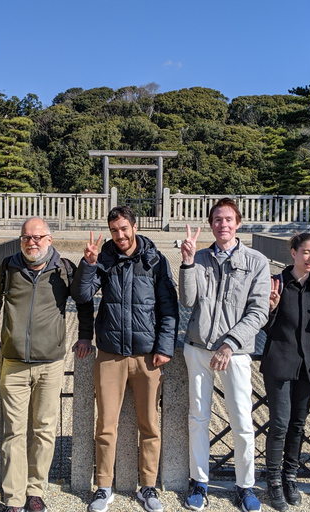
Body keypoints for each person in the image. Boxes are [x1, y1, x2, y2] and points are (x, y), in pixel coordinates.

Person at [71, 206, 179, 512]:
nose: (120, 235)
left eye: (124, 229)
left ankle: (148, 486)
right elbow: (81, 296)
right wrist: (89, 265)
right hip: (110, 352)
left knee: (150, 424)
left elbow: (169, 307)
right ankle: (103, 486)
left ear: (135, 226)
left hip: (147, 355)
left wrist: (165, 347)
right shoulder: (103, 258)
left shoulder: (154, 260)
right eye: (114, 230)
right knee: (105, 424)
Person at [0, 217, 94, 512]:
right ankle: (14, 496)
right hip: (14, 360)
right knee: (13, 432)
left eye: (37, 237)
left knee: (44, 428)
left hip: (50, 362)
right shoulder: (9, 266)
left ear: (49, 239)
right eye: (26, 238)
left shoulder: (64, 269)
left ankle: (35, 490)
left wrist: (84, 337)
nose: (31, 243)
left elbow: (84, 303)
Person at [179, 198, 271, 512]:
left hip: (235, 351)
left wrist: (230, 343)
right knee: (198, 418)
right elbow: (187, 301)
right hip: (198, 346)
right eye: (217, 220)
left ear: (238, 223)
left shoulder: (257, 261)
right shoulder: (201, 257)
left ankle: (246, 485)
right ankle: (199, 482)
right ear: (210, 223)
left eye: (228, 219)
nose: (223, 225)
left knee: (243, 420)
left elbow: (259, 312)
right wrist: (188, 263)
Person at [259, 233, 310, 511]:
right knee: (279, 424)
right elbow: (263, 325)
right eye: (305, 252)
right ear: (293, 252)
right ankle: (273, 480)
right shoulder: (275, 283)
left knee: (298, 425)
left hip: (309, 366)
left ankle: (291, 477)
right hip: (279, 361)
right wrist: (270, 307)